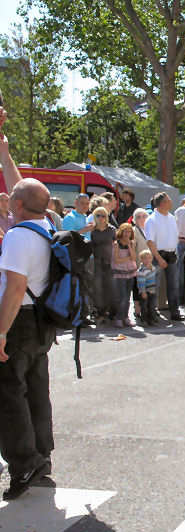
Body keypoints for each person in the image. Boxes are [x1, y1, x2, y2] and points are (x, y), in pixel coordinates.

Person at [0, 117, 60, 500]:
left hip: (19, 321)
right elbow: (24, 189)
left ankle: (24, 463)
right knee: (37, 390)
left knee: (9, 393)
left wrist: (0, 332)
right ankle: (42, 456)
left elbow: (14, 289)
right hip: (42, 322)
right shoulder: (47, 224)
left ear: (17, 205)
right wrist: (4, 154)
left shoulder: (19, 236)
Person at [144, 192, 184, 322]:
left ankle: (174, 312)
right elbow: (150, 241)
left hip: (171, 254)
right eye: (168, 200)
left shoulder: (172, 218)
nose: (171, 202)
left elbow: (175, 236)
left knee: (173, 285)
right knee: (154, 286)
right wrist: (159, 258)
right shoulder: (152, 219)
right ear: (162, 203)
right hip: (158, 255)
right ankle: (151, 313)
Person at [111, 223, 138, 328]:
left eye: (129, 231)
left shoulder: (132, 243)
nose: (127, 234)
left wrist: (129, 246)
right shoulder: (116, 244)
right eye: (125, 231)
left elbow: (134, 257)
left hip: (130, 272)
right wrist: (128, 258)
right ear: (121, 232)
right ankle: (119, 318)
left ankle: (126, 317)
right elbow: (116, 260)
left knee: (127, 297)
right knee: (121, 297)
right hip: (120, 272)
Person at [136, 250, 159, 326]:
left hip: (152, 290)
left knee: (152, 306)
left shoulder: (153, 268)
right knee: (144, 307)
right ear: (141, 259)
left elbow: (154, 276)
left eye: (149, 258)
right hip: (145, 291)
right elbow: (141, 282)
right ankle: (144, 320)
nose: (147, 260)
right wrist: (143, 292)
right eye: (145, 258)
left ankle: (151, 320)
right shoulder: (141, 270)